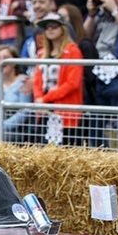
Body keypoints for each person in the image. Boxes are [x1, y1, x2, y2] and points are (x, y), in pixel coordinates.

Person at [32, 13, 84, 145]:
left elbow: (72, 83)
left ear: (63, 28)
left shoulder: (73, 51)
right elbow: (37, 80)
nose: (50, 29)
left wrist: (45, 99)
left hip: (65, 111)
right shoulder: (41, 53)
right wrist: (39, 98)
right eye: (46, 27)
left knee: (68, 148)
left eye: (54, 26)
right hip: (44, 110)